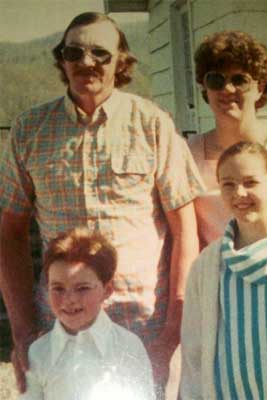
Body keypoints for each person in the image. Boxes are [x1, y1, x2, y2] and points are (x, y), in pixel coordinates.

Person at [0, 12, 204, 395]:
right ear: (61, 59)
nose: (87, 62)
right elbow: (8, 234)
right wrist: (24, 332)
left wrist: (172, 335)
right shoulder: (29, 130)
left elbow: (185, 231)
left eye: (100, 53)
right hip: (63, 327)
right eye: (74, 51)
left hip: (143, 325)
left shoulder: (153, 124)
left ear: (121, 61)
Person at [180, 141, 267, 399]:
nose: (239, 193)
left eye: (250, 182)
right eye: (228, 184)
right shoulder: (207, 266)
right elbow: (194, 351)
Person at [188, 30, 267, 248]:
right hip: (215, 275)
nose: (227, 89)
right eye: (215, 80)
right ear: (205, 87)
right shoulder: (188, 153)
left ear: (259, 88)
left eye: (240, 80)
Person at [20, 228, 155, 400]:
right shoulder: (39, 352)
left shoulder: (128, 346)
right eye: (58, 288)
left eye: (82, 288)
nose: (69, 299)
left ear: (107, 290)